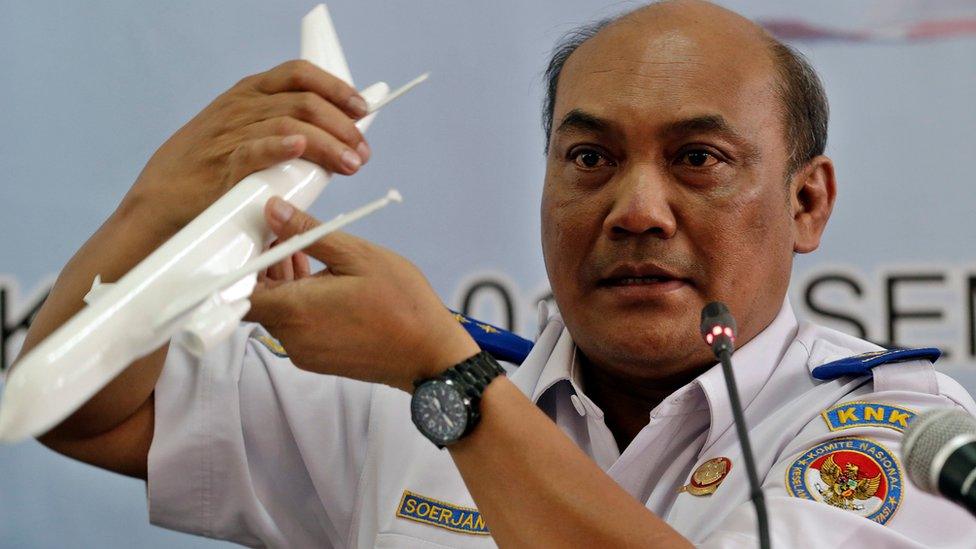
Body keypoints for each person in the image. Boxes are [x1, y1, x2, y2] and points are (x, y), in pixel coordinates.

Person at [22, 0, 976, 546]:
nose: (636, 209)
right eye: (591, 159)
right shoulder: (393, 391)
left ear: (807, 203)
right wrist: (161, 209)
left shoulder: (900, 430)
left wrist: (454, 383)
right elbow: (80, 406)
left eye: (698, 159)